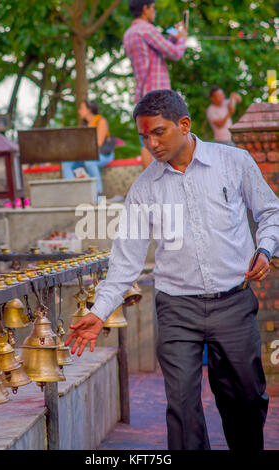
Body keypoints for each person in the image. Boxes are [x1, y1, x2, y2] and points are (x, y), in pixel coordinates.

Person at [65, 89, 279, 450]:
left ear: (184, 125)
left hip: (234, 303)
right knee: (181, 409)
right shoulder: (144, 189)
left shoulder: (233, 162)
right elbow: (125, 259)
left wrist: (265, 248)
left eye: (158, 132)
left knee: (246, 400)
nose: (151, 144)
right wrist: (99, 311)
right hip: (178, 309)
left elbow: (270, 212)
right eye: (143, 136)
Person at [123, 0, 188, 169]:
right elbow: (174, 53)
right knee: (162, 139)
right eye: (153, 7)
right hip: (158, 94)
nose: (154, 11)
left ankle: (151, 187)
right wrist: (182, 38)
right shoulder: (147, 29)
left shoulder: (129, 33)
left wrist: (172, 36)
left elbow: (156, 50)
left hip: (141, 94)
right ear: (145, 8)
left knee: (147, 140)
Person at [61, 100, 115, 195]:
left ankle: (98, 194)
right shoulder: (83, 125)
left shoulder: (101, 121)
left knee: (89, 162)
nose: (79, 111)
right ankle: (72, 192)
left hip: (103, 154)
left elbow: (98, 143)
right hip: (87, 155)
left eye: (81, 108)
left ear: (89, 110)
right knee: (66, 163)